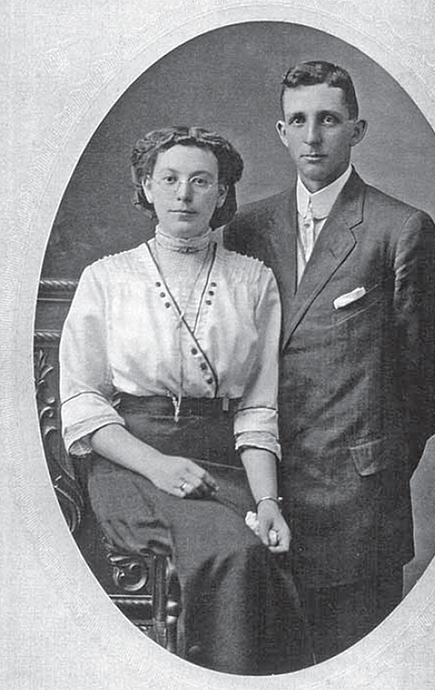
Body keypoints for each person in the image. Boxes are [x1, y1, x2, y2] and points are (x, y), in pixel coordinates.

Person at [225, 60, 435, 662]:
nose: (313, 136)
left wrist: (374, 462)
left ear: (356, 129)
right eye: (299, 120)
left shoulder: (401, 228)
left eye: (328, 119)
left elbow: (429, 378)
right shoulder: (248, 227)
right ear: (280, 131)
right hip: (262, 492)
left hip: (359, 508)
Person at [59, 126, 312, 675]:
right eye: (169, 179)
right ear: (147, 187)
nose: (184, 194)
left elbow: (258, 409)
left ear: (221, 194)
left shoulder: (254, 281)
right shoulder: (107, 278)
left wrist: (269, 501)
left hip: (224, 461)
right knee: (236, 554)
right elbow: (82, 404)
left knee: (281, 553)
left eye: (202, 181)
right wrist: (158, 465)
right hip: (133, 461)